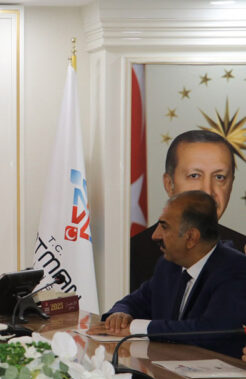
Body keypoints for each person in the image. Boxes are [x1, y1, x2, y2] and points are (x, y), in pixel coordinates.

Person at [91, 190, 246, 358]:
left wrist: (136, 328)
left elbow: (210, 330)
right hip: (167, 367)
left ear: (191, 237)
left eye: (164, 226)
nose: (155, 235)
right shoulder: (168, 265)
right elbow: (136, 301)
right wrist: (119, 315)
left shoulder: (235, 269)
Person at [130, 130, 246, 292]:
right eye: (194, 176)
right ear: (169, 184)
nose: (208, 191)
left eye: (219, 177)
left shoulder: (242, 251)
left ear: (231, 184)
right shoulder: (130, 257)